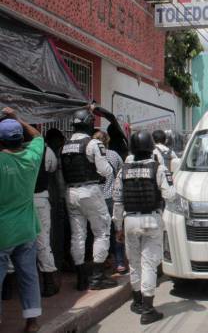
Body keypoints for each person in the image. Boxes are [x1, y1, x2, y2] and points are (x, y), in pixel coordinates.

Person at [113, 131, 175, 325]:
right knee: (149, 264)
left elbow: (117, 201)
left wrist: (118, 227)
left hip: (129, 220)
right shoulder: (158, 168)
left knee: (134, 262)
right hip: (151, 219)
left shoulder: (123, 170)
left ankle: (137, 301)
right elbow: (170, 195)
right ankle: (148, 310)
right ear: (151, 148)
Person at [60, 108, 117, 291]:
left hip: (70, 193)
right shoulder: (92, 144)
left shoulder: (65, 145)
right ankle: (97, 277)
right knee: (102, 231)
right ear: (89, 123)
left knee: (78, 235)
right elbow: (106, 171)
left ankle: (81, 279)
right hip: (90, 191)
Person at [0, 107, 44, 332]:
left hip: (3, 232)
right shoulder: (32, 157)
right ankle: (32, 323)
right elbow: (38, 137)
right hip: (27, 229)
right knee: (28, 276)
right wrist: (16, 118)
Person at [92, 131, 126, 274]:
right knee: (117, 230)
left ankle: (103, 261)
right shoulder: (114, 155)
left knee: (99, 233)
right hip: (112, 199)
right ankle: (119, 263)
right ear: (108, 140)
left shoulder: (91, 156)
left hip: (95, 199)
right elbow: (121, 173)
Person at [34, 137, 60, 297]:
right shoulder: (44, 150)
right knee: (43, 241)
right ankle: (49, 283)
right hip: (39, 199)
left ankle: (7, 288)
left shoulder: (5, 155)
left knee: (11, 243)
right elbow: (52, 167)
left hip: (15, 201)